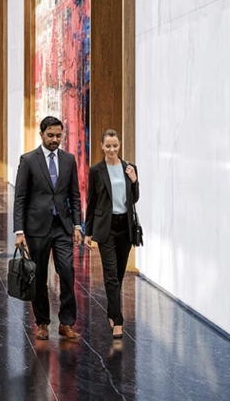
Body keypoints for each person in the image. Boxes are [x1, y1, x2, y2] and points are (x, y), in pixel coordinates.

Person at [14, 115, 84, 341]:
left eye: (58, 135)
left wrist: (77, 224)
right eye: (50, 135)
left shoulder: (69, 159)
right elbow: (20, 198)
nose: (55, 139)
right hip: (37, 228)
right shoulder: (28, 160)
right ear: (41, 134)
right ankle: (42, 322)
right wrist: (19, 231)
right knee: (39, 275)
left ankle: (66, 323)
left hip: (62, 226)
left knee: (66, 272)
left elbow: (74, 195)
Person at [86, 129, 140, 339]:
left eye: (115, 146)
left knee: (118, 274)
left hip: (125, 226)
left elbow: (134, 199)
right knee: (110, 275)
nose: (111, 149)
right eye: (108, 146)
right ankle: (118, 321)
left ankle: (111, 310)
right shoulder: (96, 171)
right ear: (101, 146)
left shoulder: (129, 168)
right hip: (105, 227)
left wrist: (134, 181)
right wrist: (88, 231)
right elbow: (91, 202)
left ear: (120, 145)